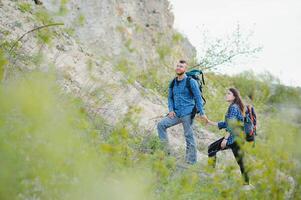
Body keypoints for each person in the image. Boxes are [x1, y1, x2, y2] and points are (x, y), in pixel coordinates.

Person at [157, 60, 208, 165]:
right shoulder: (173, 82)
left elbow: (198, 98)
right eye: (178, 66)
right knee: (161, 125)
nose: (179, 68)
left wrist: (202, 113)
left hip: (188, 114)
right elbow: (170, 98)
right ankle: (165, 154)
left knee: (188, 136)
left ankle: (191, 162)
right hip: (176, 114)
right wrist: (170, 110)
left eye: (181, 66)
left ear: (185, 69)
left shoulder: (191, 81)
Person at [207, 88, 250, 185]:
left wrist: (225, 139)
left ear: (234, 96)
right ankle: (246, 183)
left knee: (211, 149)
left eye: (229, 93)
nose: (226, 95)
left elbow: (231, 125)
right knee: (241, 161)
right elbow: (226, 123)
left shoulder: (234, 107)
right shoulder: (234, 107)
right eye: (226, 93)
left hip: (233, 138)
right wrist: (210, 123)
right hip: (238, 139)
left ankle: (210, 173)